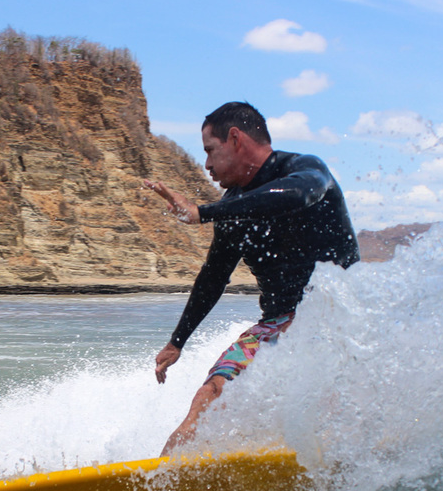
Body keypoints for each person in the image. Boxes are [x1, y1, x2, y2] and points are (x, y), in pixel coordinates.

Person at [144, 101, 359, 455]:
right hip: (276, 323)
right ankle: (165, 482)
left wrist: (204, 213)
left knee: (328, 401)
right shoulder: (234, 207)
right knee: (209, 394)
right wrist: (177, 341)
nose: (207, 165)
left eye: (211, 151)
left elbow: (295, 195)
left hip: (340, 319)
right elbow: (213, 277)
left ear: (235, 138)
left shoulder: (304, 170)